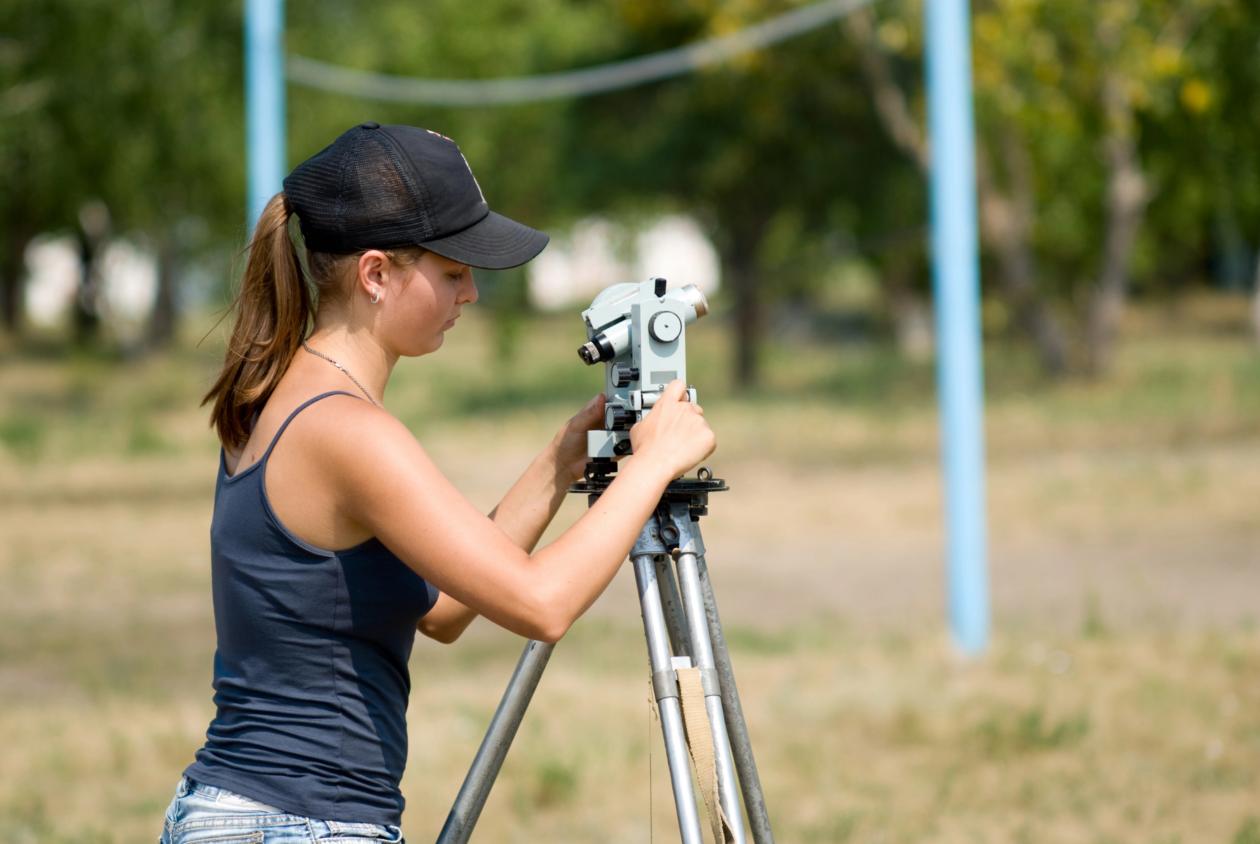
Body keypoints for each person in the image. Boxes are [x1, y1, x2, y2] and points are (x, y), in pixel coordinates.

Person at [158, 122, 715, 843]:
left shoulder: (284, 397)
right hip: (298, 824)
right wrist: (653, 466)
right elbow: (542, 605)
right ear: (376, 274)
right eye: (453, 271)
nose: (472, 293)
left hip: (244, 812)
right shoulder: (349, 432)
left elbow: (445, 609)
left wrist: (562, 458)